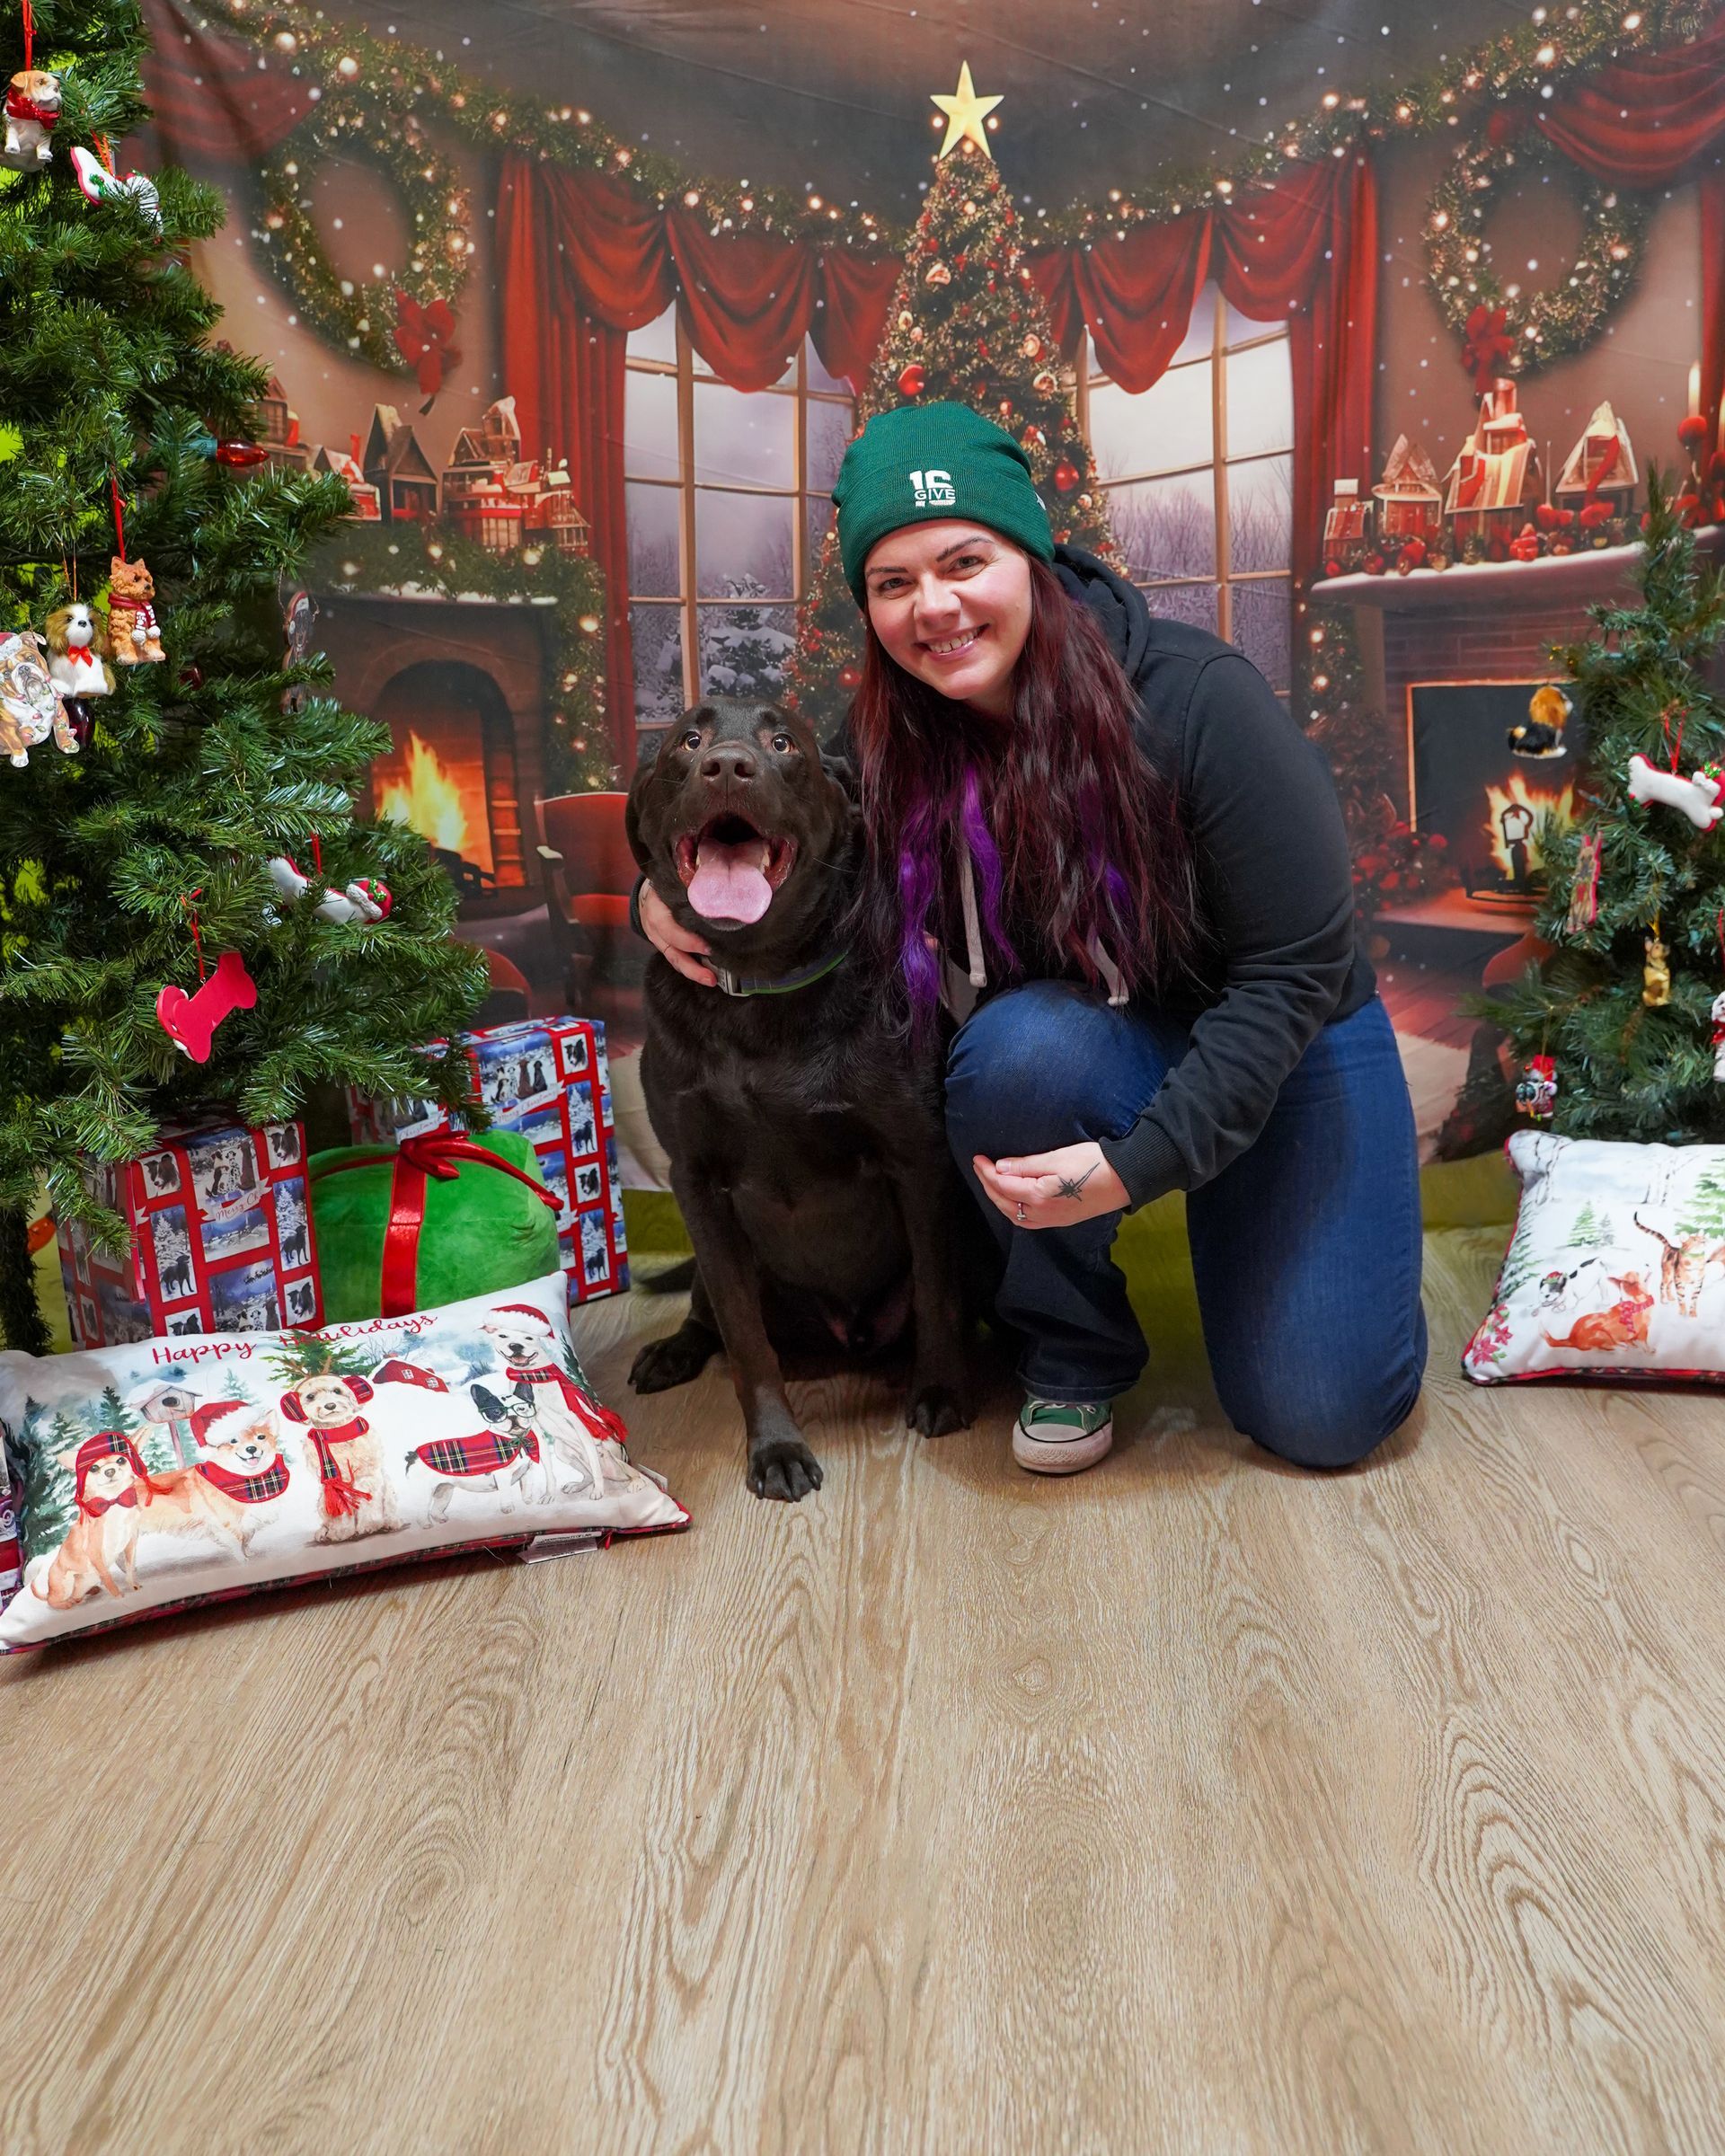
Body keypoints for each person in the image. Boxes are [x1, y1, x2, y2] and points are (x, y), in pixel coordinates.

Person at [637, 402, 1425, 1477]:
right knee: (1012, 1060)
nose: (936, 607)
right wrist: (664, 900)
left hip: (1294, 1040)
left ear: (1036, 558)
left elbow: (1291, 974)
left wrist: (1143, 1164)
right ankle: (1074, 1348)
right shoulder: (881, 739)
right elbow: (774, 828)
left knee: (1324, 1415)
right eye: (894, 582)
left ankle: (1284, 1221)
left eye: (966, 561)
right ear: (868, 607)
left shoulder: (1197, 702)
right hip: (1113, 1034)